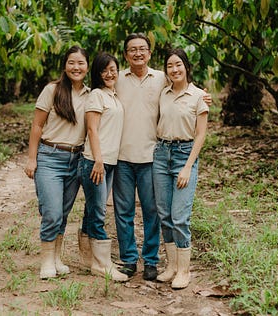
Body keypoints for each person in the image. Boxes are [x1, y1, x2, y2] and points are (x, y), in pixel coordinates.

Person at [24, 46, 90, 279]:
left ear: (87, 67)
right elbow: (37, 126)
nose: (76, 67)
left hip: (77, 159)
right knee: (51, 212)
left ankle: (56, 258)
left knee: (63, 212)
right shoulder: (52, 90)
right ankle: (46, 262)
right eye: (72, 62)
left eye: (81, 63)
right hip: (50, 157)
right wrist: (32, 159)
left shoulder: (91, 94)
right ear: (65, 65)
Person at [112, 33, 167, 280]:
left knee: (151, 211)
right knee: (123, 212)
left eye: (142, 49)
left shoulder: (161, 78)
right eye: (132, 49)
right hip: (121, 157)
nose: (137, 53)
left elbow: (182, 90)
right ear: (125, 55)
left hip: (151, 156)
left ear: (149, 53)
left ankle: (151, 260)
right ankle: (129, 260)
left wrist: (203, 97)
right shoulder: (117, 79)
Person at [153, 48, 209, 289]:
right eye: (169, 66)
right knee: (164, 214)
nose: (174, 70)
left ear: (186, 66)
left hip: (184, 155)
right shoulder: (162, 94)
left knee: (179, 216)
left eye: (178, 65)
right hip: (161, 153)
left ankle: (184, 271)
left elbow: (201, 135)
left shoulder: (198, 96)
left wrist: (187, 167)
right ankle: (172, 266)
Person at [78, 52, 128, 282]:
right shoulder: (97, 95)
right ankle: (102, 264)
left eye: (113, 69)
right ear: (98, 73)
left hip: (109, 162)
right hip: (95, 161)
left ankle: (89, 259)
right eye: (105, 70)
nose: (110, 73)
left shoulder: (114, 96)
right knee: (98, 212)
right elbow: (92, 129)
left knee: (91, 210)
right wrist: (98, 160)